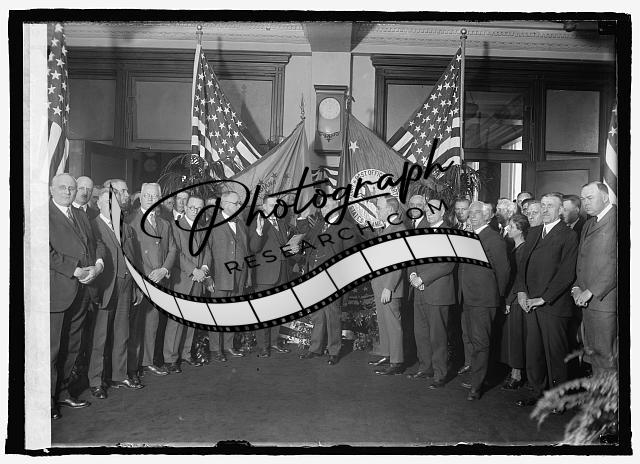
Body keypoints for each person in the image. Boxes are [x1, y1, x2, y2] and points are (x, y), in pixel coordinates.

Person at [49, 173, 105, 420]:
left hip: (83, 291)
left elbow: (97, 243)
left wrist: (98, 266)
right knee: (52, 350)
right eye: (62, 187)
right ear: (52, 189)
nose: (68, 191)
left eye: (71, 188)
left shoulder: (81, 214)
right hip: (58, 292)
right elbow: (42, 251)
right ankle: (46, 400)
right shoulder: (43, 215)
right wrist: (74, 270)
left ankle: (63, 393)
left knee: (72, 346)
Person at [515, 193, 578, 408]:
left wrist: (543, 298)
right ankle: (537, 392)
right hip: (530, 303)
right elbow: (522, 266)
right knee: (534, 352)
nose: (545, 209)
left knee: (555, 354)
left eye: (550, 206)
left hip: (553, 305)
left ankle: (559, 399)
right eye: (542, 205)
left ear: (560, 210)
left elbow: (567, 273)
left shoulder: (568, 235)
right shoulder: (534, 232)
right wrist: (521, 291)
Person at [88, 187, 144, 399]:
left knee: (122, 333)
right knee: (100, 337)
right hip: (106, 288)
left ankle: (119, 376)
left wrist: (137, 286)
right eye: (107, 203)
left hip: (126, 286)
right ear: (99, 204)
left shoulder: (126, 228)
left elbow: (134, 259)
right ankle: (96, 381)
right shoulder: (93, 226)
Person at [458, 201, 510, 400]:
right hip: (468, 297)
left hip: (484, 299)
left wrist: (498, 296)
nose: (472, 216)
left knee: (480, 342)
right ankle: (477, 378)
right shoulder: (470, 235)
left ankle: (476, 386)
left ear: (487, 216)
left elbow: (503, 271)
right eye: (471, 213)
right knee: (472, 340)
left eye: (477, 213)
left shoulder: (493, 238)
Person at [298, 198, 358, 365]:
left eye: (326, 207)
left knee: (332, 314)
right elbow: (307, 239)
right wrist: (302, 218)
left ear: (336, 208)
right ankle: (315, 348)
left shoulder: (346, 226)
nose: (323, 210)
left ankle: (334, 351)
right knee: (317, 314)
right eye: (322, 207)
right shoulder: (319, 224)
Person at [128, 182, 177, 377]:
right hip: (140, 281)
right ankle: (132, 367)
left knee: (152, 324)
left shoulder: (165, 224)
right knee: (135, 326)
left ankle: (147, 362)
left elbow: (172, 249)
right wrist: (148, 275)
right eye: (147, 195)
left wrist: (164, 269)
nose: (150, 199)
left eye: (154, 196)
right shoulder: (130, 221)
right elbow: (131, 254)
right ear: (141, 197)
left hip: (160, 282)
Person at [406, 199, 456, 389]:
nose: (429, 212)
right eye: (427, 209)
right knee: (421, 332)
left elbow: (446, 264)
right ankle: (425, 367)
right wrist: (412, 274)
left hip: (437, 291)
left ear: (443, 212)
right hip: (419, 289)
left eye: (433, 209)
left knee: (437, 335)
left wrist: (422, 279)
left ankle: (440, 373)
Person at [573, 182, 617, 375]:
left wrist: (591, 291)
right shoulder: (589, 223)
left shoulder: (618, 220)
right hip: (586, 302)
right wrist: (576, 287)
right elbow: (582, 260)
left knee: (606, 357)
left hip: (604, 301)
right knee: (593, 355)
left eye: (590, 198)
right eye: (583, 199)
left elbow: (616, 264)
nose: (585, 203)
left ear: (605, 197)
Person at [164, 195, 213, 372]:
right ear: (185, 207)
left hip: (198, 280)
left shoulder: (201, 228)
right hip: (182, 280)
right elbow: (176, 253)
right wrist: (194, 270)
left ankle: (185, 354)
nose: (195, 211)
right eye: (192, 207)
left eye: (199, 208)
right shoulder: (175, 226)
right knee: (176, 322)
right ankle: (170, 359)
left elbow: (207, 251)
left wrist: (204, 269)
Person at [248, 195, 295, 357]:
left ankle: (274, 342)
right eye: (271, 205)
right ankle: (263, 346)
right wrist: (259, 231)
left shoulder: (281, 222)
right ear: (263, 206)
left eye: (277, 204)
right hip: (264, 276)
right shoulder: (257, 222)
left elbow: (283, 248)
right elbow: (253, 248)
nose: (275, 207)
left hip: (282, 274)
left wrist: (293, 248)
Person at [208, 190, 249, 361]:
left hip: (238, 276)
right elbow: (206, 252)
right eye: (236, 203)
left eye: (239, 203)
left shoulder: (241, 223)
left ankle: (228, 345)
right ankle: (216, 348)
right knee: (217, 313)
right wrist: (208, 277)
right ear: (224, 204)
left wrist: (247, 276)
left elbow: (246, 251)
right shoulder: (212, 224)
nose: (239, 206)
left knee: (232, 312)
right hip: (219, 276)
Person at [371, 196, 407, 375]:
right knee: (384, 322)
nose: (377, 211)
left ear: (390, 210)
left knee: (393, 324)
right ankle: (387, 354)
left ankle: (397, 361)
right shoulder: (387, 228)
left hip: (388, 286)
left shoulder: (398, 229)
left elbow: (397, 262)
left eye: (379, 208)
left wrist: (389, 287)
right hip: (380, 284)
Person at [500, 214, 530, 390]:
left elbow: (519, 279)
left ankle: (516, 375)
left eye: (511, 227)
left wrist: (509, 300)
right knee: (512, 338)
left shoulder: (523, 250)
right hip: (512, 298)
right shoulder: (515, 248)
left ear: (520, 230)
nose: (508, 229)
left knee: (517, 338)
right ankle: (514, 372)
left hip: (517, 300)